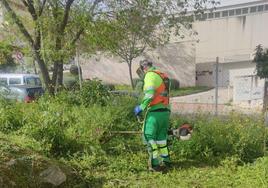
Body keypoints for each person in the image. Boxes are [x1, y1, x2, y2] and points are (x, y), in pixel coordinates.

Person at [134, 59, 171, 172]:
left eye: (141, 70)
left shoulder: (149, 75)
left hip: (154, 113)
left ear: (144, 68)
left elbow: (150, 94)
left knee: (148, 137)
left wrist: (141, 107)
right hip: (165, 112)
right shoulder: (162, 76)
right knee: (161, 139)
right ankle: (166, 161)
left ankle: (154, 165)